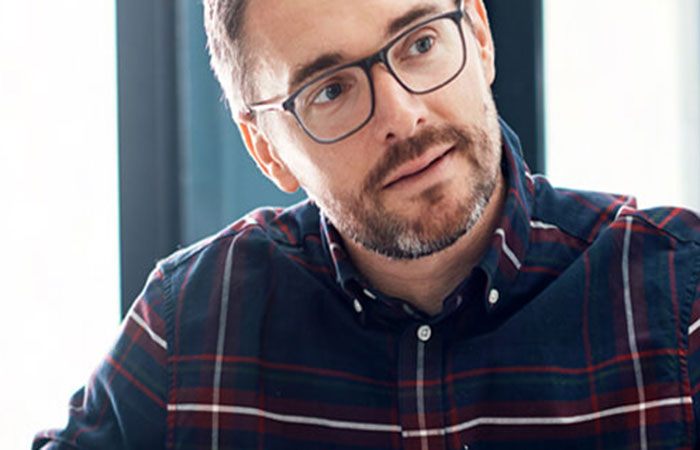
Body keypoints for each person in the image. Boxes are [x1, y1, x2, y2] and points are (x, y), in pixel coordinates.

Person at [34, 0, 700, 448]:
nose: (401, 116)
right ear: (266, 148)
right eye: (330, 89)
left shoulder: (680, 295)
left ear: (480, 35)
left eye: (419, 43)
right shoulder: (190, 328)